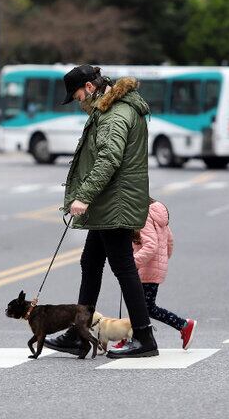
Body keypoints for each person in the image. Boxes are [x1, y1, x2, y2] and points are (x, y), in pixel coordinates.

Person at [44, 65, 158, 358]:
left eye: (78, 93)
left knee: (123, 267)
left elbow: (108, 159)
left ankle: (144, 338)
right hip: (109, 203)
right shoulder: (108, 110)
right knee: (90, 263)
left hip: (114, 203)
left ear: (90, 88)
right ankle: (78, 334)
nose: (78, 100)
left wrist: (83, 196)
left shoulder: (115, 116)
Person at [115, 198, 197, 350]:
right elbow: (169, 242)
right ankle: (130, 337)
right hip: (153, 267)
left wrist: (131, 263)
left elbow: (151, 246)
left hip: (145, 268)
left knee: (145, 307)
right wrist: (162, 262)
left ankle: (183, 325)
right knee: (140, 306)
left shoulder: (143, 217)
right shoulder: (157, 215)